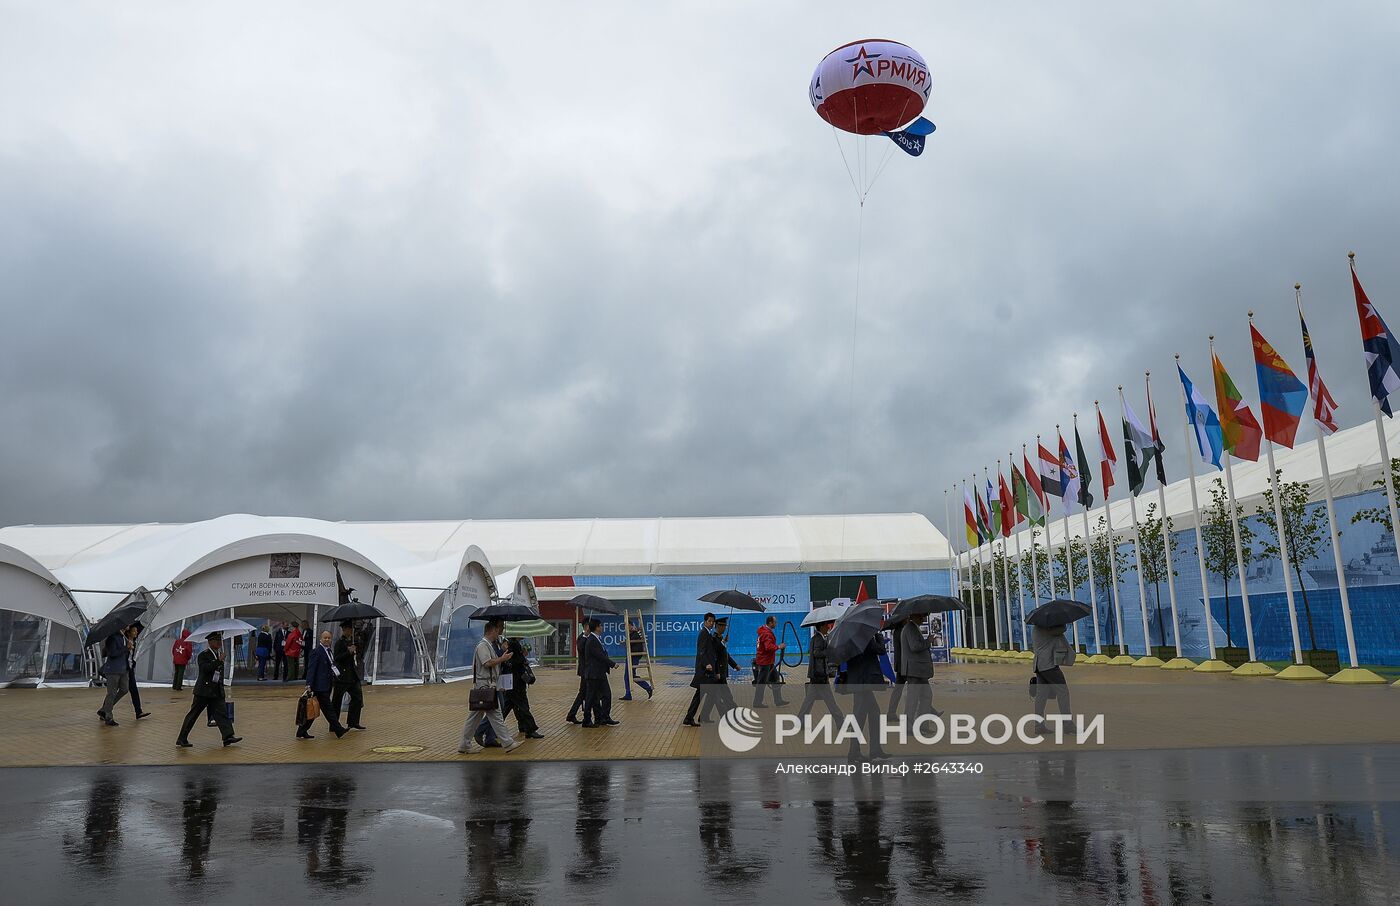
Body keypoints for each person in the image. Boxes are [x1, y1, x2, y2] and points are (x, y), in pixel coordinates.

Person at [457, 618, 519, 754]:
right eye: (498, 629)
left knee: (474, 718)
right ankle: (508, 743)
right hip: (484, 686)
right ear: (492, 630)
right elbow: (487, 663)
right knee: (496, 716)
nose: (499, 632)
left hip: (486, 686)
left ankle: (464, 745)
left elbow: (491, 665)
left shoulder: (488, 645)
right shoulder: (482, 646)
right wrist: (502, 659)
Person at [176, 631, 240, 748]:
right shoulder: (204, 655)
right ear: (210, 642)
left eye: (220, 640)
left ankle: (228, 736)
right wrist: (218, 661)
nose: (219, 642)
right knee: (193, 715)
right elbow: (206, 669)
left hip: (215, 691)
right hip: (204, 692)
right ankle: (182, 738)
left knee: (222, 714)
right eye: (216, 640)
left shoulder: (218, 654)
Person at [842, 632, 889, 760]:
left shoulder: (850, 636)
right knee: (860, 716)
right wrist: (879, 638)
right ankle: (854, 752)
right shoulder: (862, 636)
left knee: (874, 713)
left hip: (859, 680)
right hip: (863, 681)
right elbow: (880, 650)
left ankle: (874, 749)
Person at [298, 630, 349, 739]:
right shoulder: (317, 651)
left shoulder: (329, 651)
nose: (327, 640)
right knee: (328, 709)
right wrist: (309, 684)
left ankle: (301, 730)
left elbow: (331, 666)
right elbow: (311, 669)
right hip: (319, 686)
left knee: (314, 709)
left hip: (327, 684)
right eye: (325, 638)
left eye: (329, 638)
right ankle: (338, 729)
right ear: (320, 639)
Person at [796, 619, 843, 722]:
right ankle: (841, 722)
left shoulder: (818, 638)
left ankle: (800, 722)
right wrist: (828, 650)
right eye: (826, 625)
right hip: (820, 675)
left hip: (816, 675)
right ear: (821, 626)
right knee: (830, 701)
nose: (828, 627)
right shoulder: (818, 639)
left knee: (809, 701)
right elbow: (817, 653)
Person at [1030, 624, 1073, 731]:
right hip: (1048, 665)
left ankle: (1038, 726)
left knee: (1041, 696)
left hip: (1039, 665)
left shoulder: (1036, 627)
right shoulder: (1047, 628)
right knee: (1063, 692)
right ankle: (1067, 725)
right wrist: (1063, 622)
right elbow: (1062, 629)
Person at [500, 635, 544, 739]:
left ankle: (491, 727)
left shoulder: (513, 644)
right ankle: (530, 729)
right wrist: (523, 659)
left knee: (507, 706)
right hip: (516, 682)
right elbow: (513, 661)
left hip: (513, 682)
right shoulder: (513, 644)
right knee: (523, 705)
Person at [700, 618, 741, 722]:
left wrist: (734, 665)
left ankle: (704, 716)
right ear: (718, 626)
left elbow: (724, 655)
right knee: (725, 696)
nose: (724, 628)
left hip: (720, 672)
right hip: (718, 673)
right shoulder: (714, 639)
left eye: (725, 626)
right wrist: (717, 672)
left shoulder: (719, 639)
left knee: (713, 697)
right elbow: (715, 658)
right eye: (723, 626)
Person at [899, 614, 938, 723]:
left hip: (919, 670)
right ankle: (909, 726)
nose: (923, 618)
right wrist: (928, 641)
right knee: (913, 699)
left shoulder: (912, 628)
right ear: (915, 616)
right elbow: (915, 646)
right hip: (914, 670)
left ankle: (923, 724)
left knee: (926, 696)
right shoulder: (910, 628)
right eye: (922, 616)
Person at [682, 613, 719, 727]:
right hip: (704, 671)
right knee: (709, 694)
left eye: (713, 621)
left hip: (705, 671)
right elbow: (701, 651)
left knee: (701, 695)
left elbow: (710, 648)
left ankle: (691, 718)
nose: (711, 623)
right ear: (705, 621)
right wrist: (707, 663)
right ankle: (696, 717)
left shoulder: (708, 633)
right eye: (709, 621)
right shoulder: (703, 633)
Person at [582, 618, 618, 727]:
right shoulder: (592, 640)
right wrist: (612, 664)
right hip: (593, 674)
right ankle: (587, 720)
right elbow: (600, 656)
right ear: (597, 627)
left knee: (605, 695)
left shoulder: (597, 639)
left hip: (599, 673)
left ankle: (604, 717)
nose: (602, 628)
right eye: (600, 626)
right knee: (591, 698)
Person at [332, 621, 366, 730]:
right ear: (344, 630)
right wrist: (348, 652)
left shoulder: (353, 641)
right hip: (342, 677)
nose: (351, 631)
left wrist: (357, 648)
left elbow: (358, 656)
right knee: (337, 701)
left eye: (352, 629)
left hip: (353, 675)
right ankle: (334, 724)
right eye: (349, 629)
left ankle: (353, 721)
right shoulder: (339, 643)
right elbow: (337, 658)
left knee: (357, 699)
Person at [96, 626, 131, 726]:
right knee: (111, 692)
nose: (129, 625)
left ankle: (104, 709)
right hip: (113, 670)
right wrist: (126, 648)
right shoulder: (112, 637)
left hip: (123, 669)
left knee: (124, 689)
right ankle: (108, 716)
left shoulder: (123, 637)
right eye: (127, 624)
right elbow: (112, 653)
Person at [752, 615, 788, 707]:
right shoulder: (767, 633)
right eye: (775, 622)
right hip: (765, 662)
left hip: (768, 661)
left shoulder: (763, 631)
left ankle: (778, 700)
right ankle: (757, 702)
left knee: (775, 679)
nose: (776, 623)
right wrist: (779, 647)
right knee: (762, 682)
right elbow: (768, 647)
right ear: (770, 623)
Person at [565, 622, 591, 724]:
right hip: (585, 670)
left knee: (583, 693)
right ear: (585, 627)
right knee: (584, 693)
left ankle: (572, 714)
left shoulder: (589, 637)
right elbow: (581, 649)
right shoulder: (582, 638)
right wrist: (585, 636)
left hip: (588, 670)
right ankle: (573, 714)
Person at [124, 622, 151, 720]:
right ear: (128, 632)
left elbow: (130, 657)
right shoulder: (125, 641)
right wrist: (127, 648)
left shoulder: (133, 642)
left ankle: (138, 711)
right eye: (134, 631)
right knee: (118, 691)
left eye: (136, 631)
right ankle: (105, 709)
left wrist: (133, 663)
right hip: (123, 669)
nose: (136, 633)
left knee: (134, 690)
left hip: (129, 669)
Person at [622, 620, 653, 700]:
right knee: (630, 676)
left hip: (633, 656)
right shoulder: (632, 634)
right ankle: (646, 688)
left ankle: (630, 694)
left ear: (631, 625)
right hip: (631, 656)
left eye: (627, 625)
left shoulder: (635, 634)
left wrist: (626, 642)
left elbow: (633, 643)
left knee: (628, 676)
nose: (626, 627)